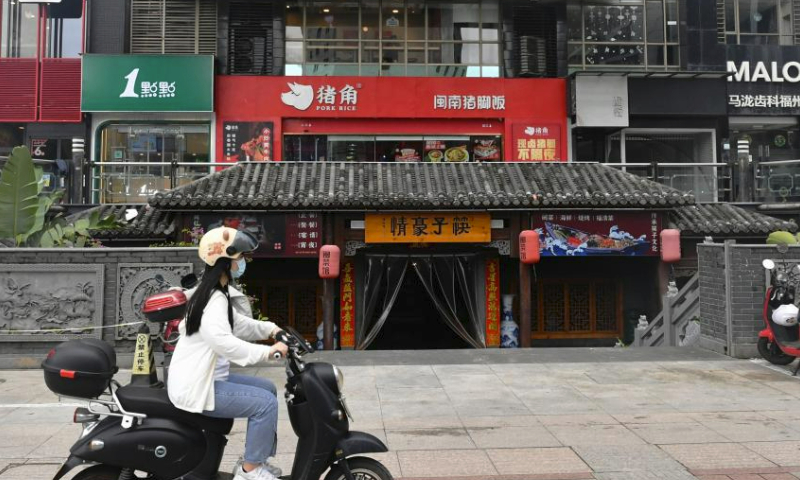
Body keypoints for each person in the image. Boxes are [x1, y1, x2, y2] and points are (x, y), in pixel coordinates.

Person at [167, 226, 289, 480]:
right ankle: (250, 470)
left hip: (206, 377)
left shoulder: (213, 293)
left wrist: (272, 329)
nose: (242, 262)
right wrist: (268, 353)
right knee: (264, 404)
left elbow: (238, 324)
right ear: (224, 261)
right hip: (199, 386)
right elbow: (224, 342)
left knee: (268, 389)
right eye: (240, 257)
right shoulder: (214, 299)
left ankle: (257, 459)